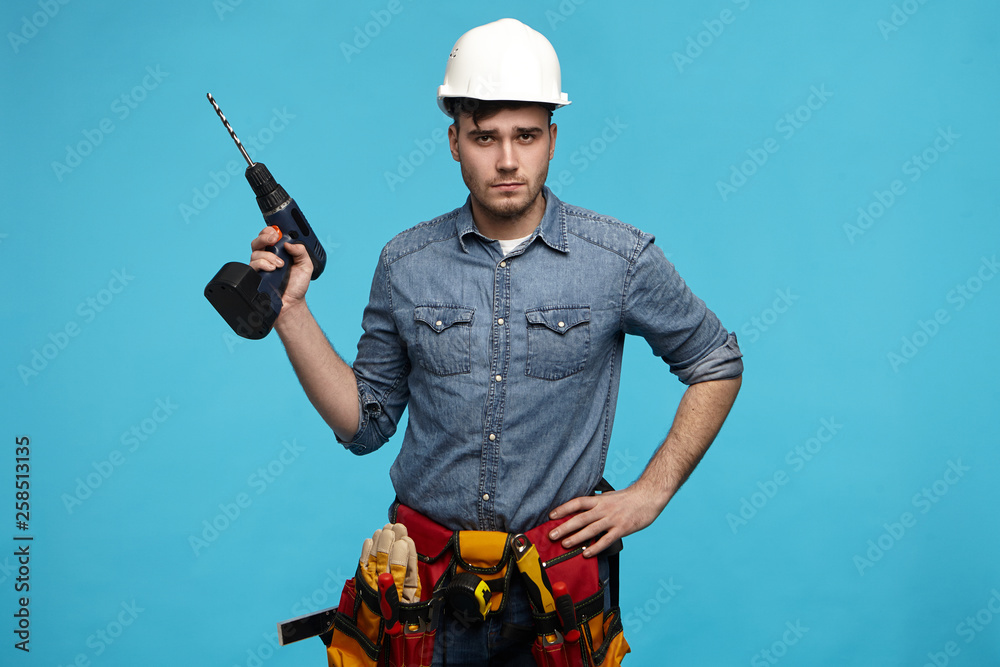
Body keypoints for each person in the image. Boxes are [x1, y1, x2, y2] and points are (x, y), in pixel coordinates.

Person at [251, 18, 742, 666]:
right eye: (485, 137)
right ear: (455, 141)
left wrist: (650, 491)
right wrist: (291, 312)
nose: (507, 159)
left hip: (553, 598)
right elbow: (366, 424)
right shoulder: (405, 262)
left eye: (526, 136)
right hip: (421, 592)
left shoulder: (619, 259)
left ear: (553, 140)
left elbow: (715, 360)